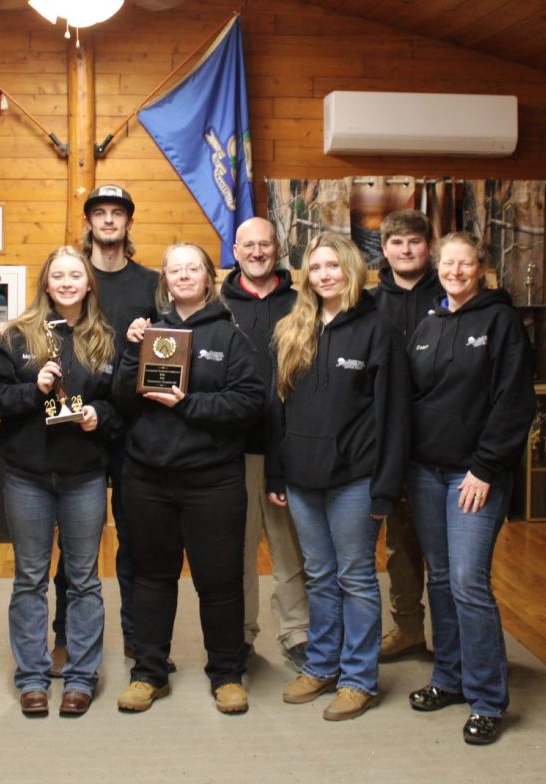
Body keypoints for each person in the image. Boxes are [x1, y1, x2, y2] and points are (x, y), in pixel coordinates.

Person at [114, 242, 263, 714]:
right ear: (165, 279)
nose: (183, 275)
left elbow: (248, 403)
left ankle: (226, 673)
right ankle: (149, 672)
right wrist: (130, 348)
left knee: (219, 581)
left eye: (192, 268)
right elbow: (120, 399)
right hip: (147, 477)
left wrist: (189, 404)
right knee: (151, 577)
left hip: (212, 480)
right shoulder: (149, 331)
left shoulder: (231, 336)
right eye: (174, 269)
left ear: (207, 276)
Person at [267, 232, 409, 721]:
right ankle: (323, 664)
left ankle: (358, 679)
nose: (326, 274)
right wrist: (276, 471)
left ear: (351, 268)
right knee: (320, 577)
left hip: (357, 479)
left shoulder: (377, 329)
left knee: (355, 578)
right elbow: (277, 409)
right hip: (303, 479)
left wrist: (387, 487)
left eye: (334, 265)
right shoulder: (294, 326)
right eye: (318, 266)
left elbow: (394, 415)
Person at [404, 232, 535, 745]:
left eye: (465, 263)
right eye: (447, 263)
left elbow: (513, 402)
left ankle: (486, 699)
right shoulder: (428, 324)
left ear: (481, 268)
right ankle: (449, 677)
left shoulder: (500, 322)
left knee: (467, 581)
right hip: (426, 472)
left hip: (475, 476)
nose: (455, 271)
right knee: (439, 578)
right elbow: (414, 399)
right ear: (438, 268)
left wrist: (484, 467)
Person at [0, 246, 121, 718]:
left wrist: (98, 415)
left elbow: (123, 405)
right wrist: (33, 389)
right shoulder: (18, 335)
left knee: (84, 579)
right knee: (29, 578)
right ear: (46, 283)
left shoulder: (106, 337)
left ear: (88, 284)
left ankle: (81, 676)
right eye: (57, 275)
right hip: (28, 475)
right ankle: (33, 678)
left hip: (84, 474)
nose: (66, 282)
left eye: (75, 275)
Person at [49, 184, 159, 676]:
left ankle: (137, 636)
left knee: (136, 539)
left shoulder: (151, 284)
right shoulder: (70, 278)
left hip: (136, 427)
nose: (109, 221)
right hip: (77, 422)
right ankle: (66, 637)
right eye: (101, 213)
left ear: (129, 223)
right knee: (75, 544)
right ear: (90, 222)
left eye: (118, 214)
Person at [220, 217, 310, 671]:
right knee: (235, 548)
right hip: (231, 450)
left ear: (277, 249)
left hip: (288, 448)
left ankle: (297, 634)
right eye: (248, 245)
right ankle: (240, 636)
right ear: (234, 251)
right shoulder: (217, 304)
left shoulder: (301, 304)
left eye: (265, 244)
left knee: (288, 548)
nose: (257, 252)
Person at [370, 209, 445, 662]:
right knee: (399, 543)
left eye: (414, 242)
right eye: (397, 243)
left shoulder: (450, 295)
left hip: (439, 438)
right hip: (387, 441)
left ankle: (452, 635)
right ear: (384, 250)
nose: (406, 250)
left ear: (428, 246)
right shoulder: (370, 301)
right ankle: (408, 628)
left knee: (443, 545)